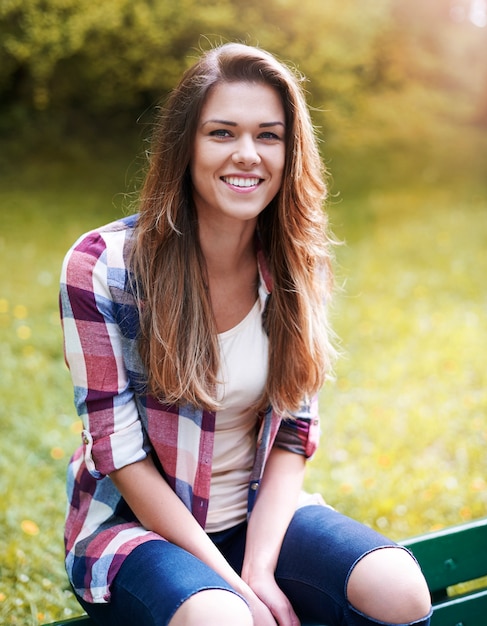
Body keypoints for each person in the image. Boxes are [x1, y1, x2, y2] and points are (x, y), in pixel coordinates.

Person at [59, 43, 432, 626]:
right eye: (222, 133)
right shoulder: (102, 267)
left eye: (268, 135)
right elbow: (122, 459)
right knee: (222, 619)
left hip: (259, 519)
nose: (247, 155)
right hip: (136, 531)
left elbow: (293, 432)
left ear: (290, 150)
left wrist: (258, 569)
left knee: (400, 591)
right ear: (185, 147)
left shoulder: (293, 261)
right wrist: (234, 590)